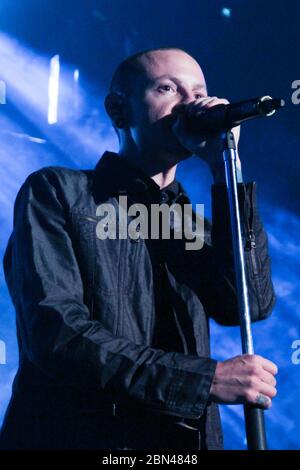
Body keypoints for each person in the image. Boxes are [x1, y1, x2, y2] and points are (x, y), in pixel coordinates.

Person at [0, 47, 277, 450]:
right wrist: (204, 380)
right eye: (168, 88)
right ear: (118, 110)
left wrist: (225, 172)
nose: (192, 104)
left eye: (198, 92)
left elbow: (249, 304)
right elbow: (57, 334)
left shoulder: (193, 225)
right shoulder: (57, 192)